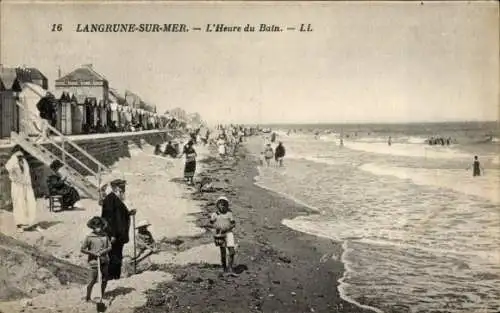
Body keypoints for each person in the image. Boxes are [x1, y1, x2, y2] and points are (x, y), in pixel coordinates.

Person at [101, 179, 136, 280]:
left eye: (124, 187)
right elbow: (108, 219)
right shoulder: (109, 200)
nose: (124, 190)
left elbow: (118, 215)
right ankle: (112, 277)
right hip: (114, 236)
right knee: (114, 256)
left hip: (119, 235)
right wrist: (111, 235)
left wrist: (129, 213)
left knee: (117, 255)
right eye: (122, 188)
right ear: (115, 188)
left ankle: (115, 276)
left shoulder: (115, 199)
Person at [4, 146, 39, 232]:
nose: (21, 155)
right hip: (18, 186)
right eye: (19, 154)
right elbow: (9, 170)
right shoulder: (12, 161)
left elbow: (27, 173)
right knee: (19, 205)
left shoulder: (24, 161)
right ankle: (19, 225)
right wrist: (16, 178)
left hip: (26, 185)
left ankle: (30, 223)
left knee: (30, 203)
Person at [81, 216, 111, 302]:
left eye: (100, 226)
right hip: (94, 262)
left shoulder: (105, 236)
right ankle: (88, 297)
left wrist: (103, 252)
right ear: (93, 227)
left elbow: (109, 247)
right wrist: (93, 253)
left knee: (104, 279)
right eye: (96, 227)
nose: (98, 228)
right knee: (92, 280)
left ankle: (101, 295)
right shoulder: (89, 237)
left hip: (105, 260)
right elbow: (82, 249)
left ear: (102, 226)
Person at [210, 196, 237, 276]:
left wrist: (228, 228)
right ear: (218, 205)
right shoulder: (214, 214)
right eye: (221, 204)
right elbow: (211, 224)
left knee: (232, 251)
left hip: (229, 233)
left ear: (227, 205)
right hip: (220, 235)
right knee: (223, 252)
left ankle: (230, 268)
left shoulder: (229, 213)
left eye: (224, 204)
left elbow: (233, 223)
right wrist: (216, 228)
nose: (222, 206)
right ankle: (224, 268)